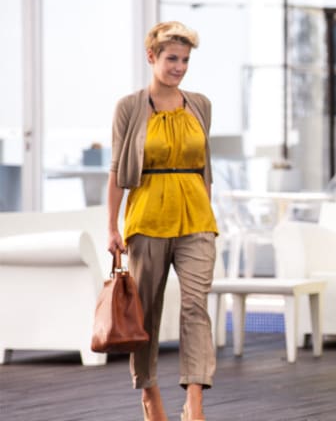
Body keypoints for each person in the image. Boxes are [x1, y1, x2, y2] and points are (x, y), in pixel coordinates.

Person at [107, 21, 217, 421]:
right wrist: (112, 227)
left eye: (185, 60)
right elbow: (117, 170)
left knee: (196, 306)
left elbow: (204, 168)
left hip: (196, 219)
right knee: (147, 313)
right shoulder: (129, 107)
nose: (179, 67)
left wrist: (208, 211)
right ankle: (149, 392)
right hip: (147, 219)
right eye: (172, 58)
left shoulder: (200, 104)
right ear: (151, 56)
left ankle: (194, 403)